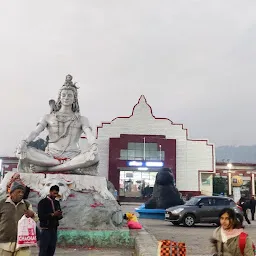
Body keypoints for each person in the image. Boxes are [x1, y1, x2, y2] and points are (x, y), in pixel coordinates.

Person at [15, 74, 98, 174]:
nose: (66, 98)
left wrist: (93, 145)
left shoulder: (82, 119)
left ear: (74, 98)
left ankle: (49, 168)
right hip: (49, 157)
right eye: (63, 95)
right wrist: (24, 142)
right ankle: (67, 167)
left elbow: (89, 134)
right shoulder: (48, 117)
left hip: (73, 156)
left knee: (94, 156)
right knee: (22, 151)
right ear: (60, 97)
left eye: (70, 95)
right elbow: (35, 132)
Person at [0, 182, 37, 256]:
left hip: (23, 243)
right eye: (18, 192)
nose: (21, 194)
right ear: (12, 193)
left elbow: (35, 219)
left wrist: (32, 215)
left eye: (22, 192)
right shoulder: (2, 203)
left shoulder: (26, 204)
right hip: (4, 242)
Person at [38, 185, 63, 256]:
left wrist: (59, 215)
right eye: (54, 193)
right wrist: (52, 215)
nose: (55, 195)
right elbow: (41, 216)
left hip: (54, 229)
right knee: (43, 250)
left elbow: (59, 216)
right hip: (45, 229)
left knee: (51, 249)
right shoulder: (42, 202)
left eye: (56, 194)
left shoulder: (57, 203)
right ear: (50, 192)